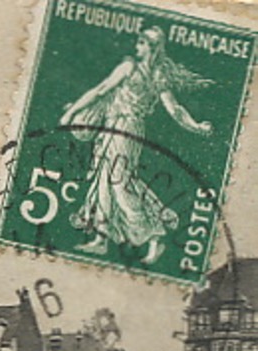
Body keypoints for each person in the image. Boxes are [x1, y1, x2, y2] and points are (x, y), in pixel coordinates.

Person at [59, 25, 213, 265]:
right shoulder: (129, 67)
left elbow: (175, 109)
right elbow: (100, 91)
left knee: (121, 184)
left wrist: (196, 126)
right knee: (104, 181)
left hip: (128, 130)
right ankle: (101, 239)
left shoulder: (155, 75)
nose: (137, 46)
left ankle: (155, 236)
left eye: (142, 43)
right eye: (138, 42)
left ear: (152, 48)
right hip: (113, 126)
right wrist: (73, 112)